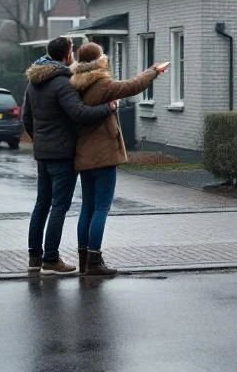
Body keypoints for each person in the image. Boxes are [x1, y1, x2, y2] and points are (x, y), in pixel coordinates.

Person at [70, 41, 169, 276]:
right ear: (98, 61)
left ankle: (84, 258)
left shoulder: (74, 86)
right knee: (101, 208)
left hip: (83, 155)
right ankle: (94, 261)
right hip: (104, 154)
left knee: (87, 207)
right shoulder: (102, 84)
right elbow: (133, 86)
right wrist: (154, 70)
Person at [22, 36, 116, 276]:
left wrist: (40, 140)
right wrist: (109, 108)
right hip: (62, 153)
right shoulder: (62, 82)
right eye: (72, 50)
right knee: (59, 206)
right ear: (66, 55)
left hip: (42, 153)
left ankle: (35, 256)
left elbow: (26, 117)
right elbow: (79, 113)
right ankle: (51, 259)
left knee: (41, 203)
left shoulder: (34, 80)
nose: (73, 54)